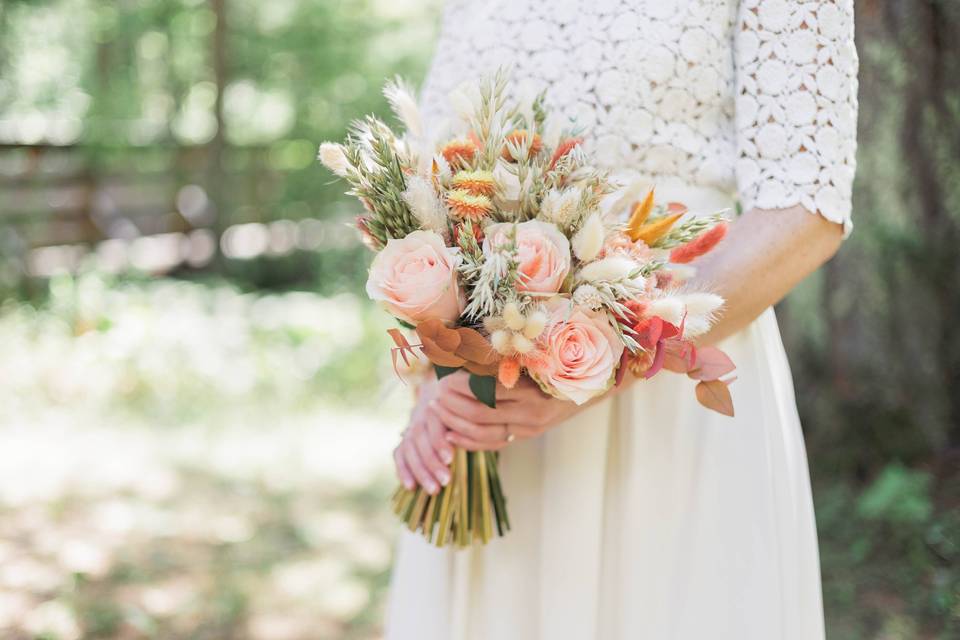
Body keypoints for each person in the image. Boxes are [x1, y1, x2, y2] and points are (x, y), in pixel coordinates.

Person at [386, 1, 858, 638]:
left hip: (672, 397)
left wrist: (613, 356)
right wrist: (438, 375)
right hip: (493, 418)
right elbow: (438, 185)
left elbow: (808, 209)